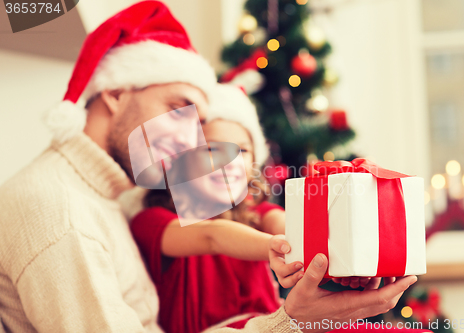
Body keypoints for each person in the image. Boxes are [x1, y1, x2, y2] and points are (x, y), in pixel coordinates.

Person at [0, 1, 418, 332]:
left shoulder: (104, 202)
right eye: (178, 107)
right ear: (115, 94)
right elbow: (212, 237)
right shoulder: (61, 211)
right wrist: (291, 324)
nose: (190, 143)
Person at [130, 84, 291, 333]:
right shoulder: (152, 221)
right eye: (211, 149)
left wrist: (306, 239)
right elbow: (213, 236)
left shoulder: (253, 215)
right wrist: (278, 248)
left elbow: (283, 223)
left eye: (243, 150)